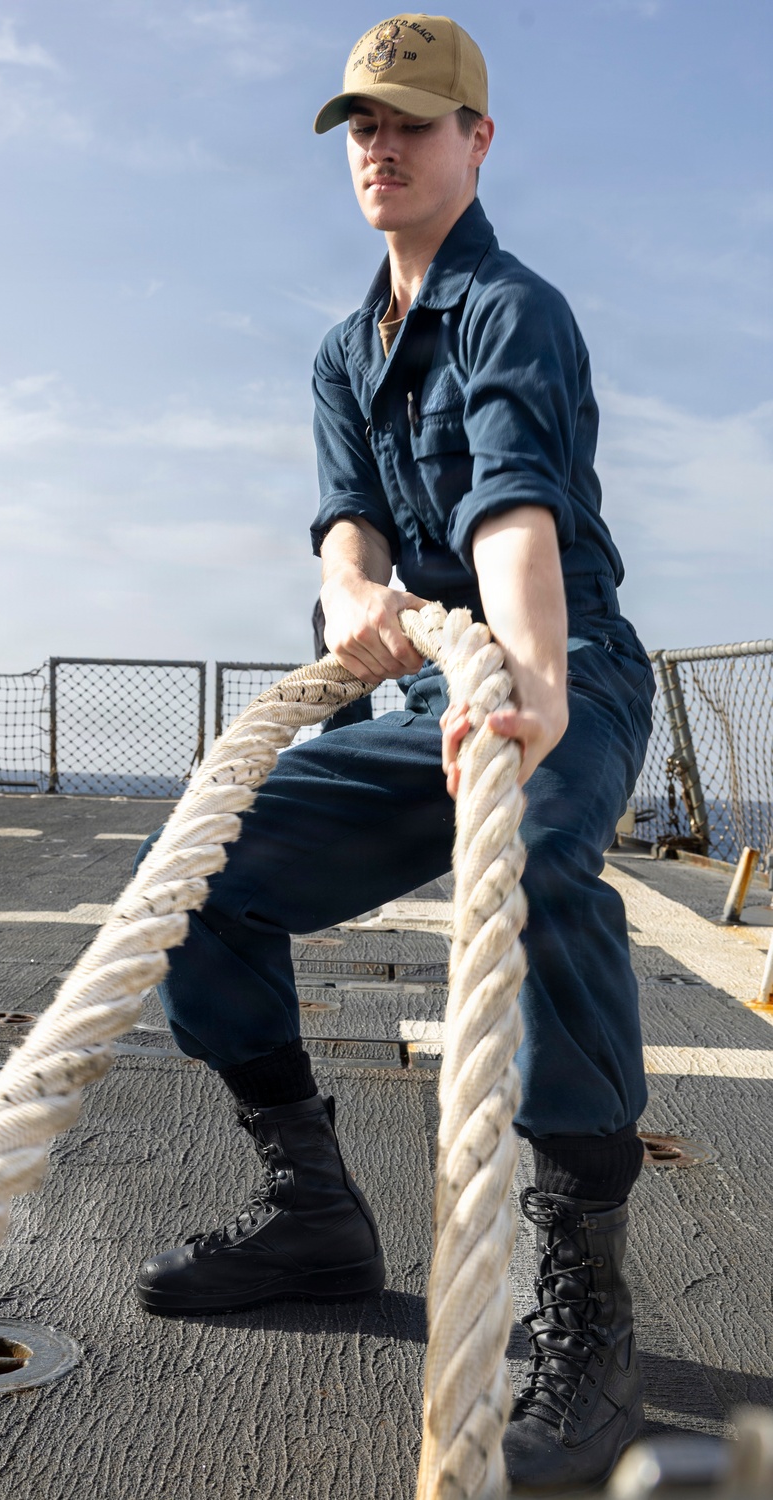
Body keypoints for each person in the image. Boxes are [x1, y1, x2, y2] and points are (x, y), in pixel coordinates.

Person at [134, 16, 654, 1491]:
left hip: (571, 665)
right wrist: (355, 594)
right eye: (362, 123)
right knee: (200, 869)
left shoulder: (512, 309)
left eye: (414, 123)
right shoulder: (337, 351)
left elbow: (514, 511)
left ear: (478, 142)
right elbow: (350, 523)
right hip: (423, 690)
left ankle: (590, 1323)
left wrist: (534, 686)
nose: (382, 145)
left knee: (544, 861)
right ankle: (312, 1211)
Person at [311, 598, 375, 731]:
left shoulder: (339, 602)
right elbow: (329, 647)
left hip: (356, 689)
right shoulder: (332, 602)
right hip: (341, 692)